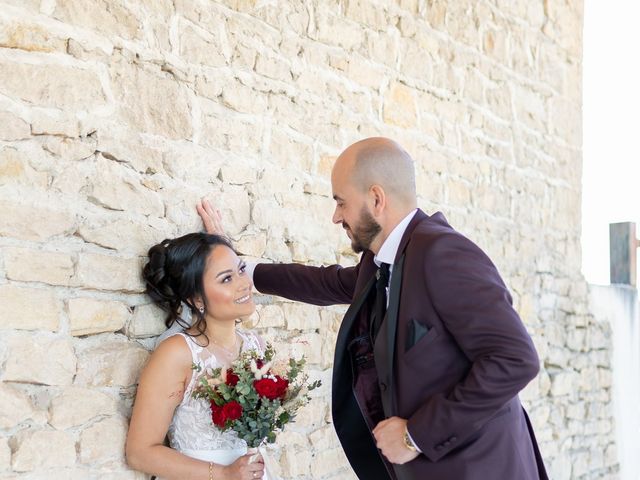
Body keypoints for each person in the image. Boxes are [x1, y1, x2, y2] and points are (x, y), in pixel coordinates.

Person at [199, 137, 548, 480]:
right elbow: (327, 283)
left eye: (341, 202)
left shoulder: (444, 253)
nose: (336, 216)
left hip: (479, 468)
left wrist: (416, 435)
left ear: (376, 199)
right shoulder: (382, 261)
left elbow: (515, 359)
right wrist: (241, 269)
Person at [126, 232, 266, 480]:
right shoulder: (177, 354)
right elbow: (140, 453)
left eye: (241, 270)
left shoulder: (255, 346)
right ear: (197, 298)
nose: (244, 283)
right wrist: (223, 474)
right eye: (226, 279)